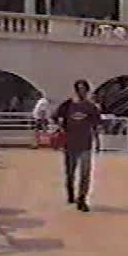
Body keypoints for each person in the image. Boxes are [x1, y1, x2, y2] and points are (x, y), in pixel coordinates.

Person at [54, 80, 101, 212]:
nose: (82, 92)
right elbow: (56, 117)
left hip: (86, 143)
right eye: (79, 89)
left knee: (85, 172)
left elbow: (96, 125)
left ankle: (82, 199)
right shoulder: (67, 105)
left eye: (84, 89)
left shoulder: (91, 107)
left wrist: (98, 142)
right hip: (70, 144)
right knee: (70, 172)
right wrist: (61, 127)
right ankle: (70, 192)